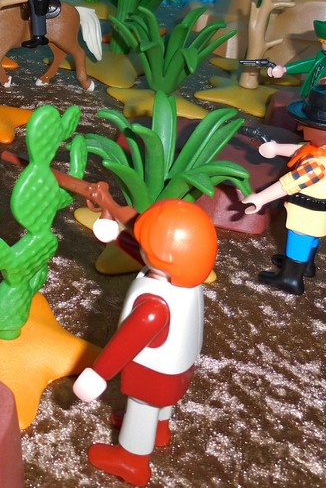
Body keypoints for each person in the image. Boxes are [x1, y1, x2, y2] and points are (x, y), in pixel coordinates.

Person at [73, 200, 218, 487]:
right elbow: (146, 256)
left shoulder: (154, 305)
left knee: (142, 407)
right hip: (179, 363)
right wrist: (115, 235)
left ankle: (131, 460)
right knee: (160, 405)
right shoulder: (185, 279)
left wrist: (99, 374)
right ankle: (159, 430)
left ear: (165, 256)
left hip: (152, 370)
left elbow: (126, 342)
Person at [241, 85, 326, 294]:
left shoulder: (316, 165)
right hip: (321, 215)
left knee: (299, 239)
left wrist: (260, 198)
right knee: (312, 240)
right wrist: (276, 148)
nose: (301, 126)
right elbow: (302, 150)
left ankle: (290, 278)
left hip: (307, 215)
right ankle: (306, 266)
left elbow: (288, 184)